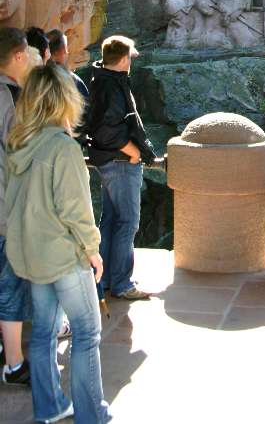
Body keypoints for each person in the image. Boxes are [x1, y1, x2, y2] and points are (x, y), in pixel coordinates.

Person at [5, 62, 111, 423]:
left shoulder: (18, 144)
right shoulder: (62, 149)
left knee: (43, 333)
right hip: (64, 256)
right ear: (64, 99)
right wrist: (93, 251)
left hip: (31, 255)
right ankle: (91, 414)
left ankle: (49, 408)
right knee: (87, 333)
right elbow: (76, 211)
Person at [86, 35, 157, 300]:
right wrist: (134, 152)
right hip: (120, 162)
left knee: (110, 220)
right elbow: (107, 131)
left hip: (107, 161)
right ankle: (122, 283)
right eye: (131, 58)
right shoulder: (112, 85)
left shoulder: (101, 79)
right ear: (125, 59)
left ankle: (103, 279)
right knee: (127, 222)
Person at [0, 27, 31, 385]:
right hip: (5, 209)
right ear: (20, 55)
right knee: (11, 286)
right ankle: (14, 364)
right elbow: (19, 154)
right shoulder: (10, 96)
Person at [47, 29, 89, 100]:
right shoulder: (74, 82)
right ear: (63, 50)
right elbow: (85, 104)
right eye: (66, 48)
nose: (67, 52)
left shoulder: (35, 78)